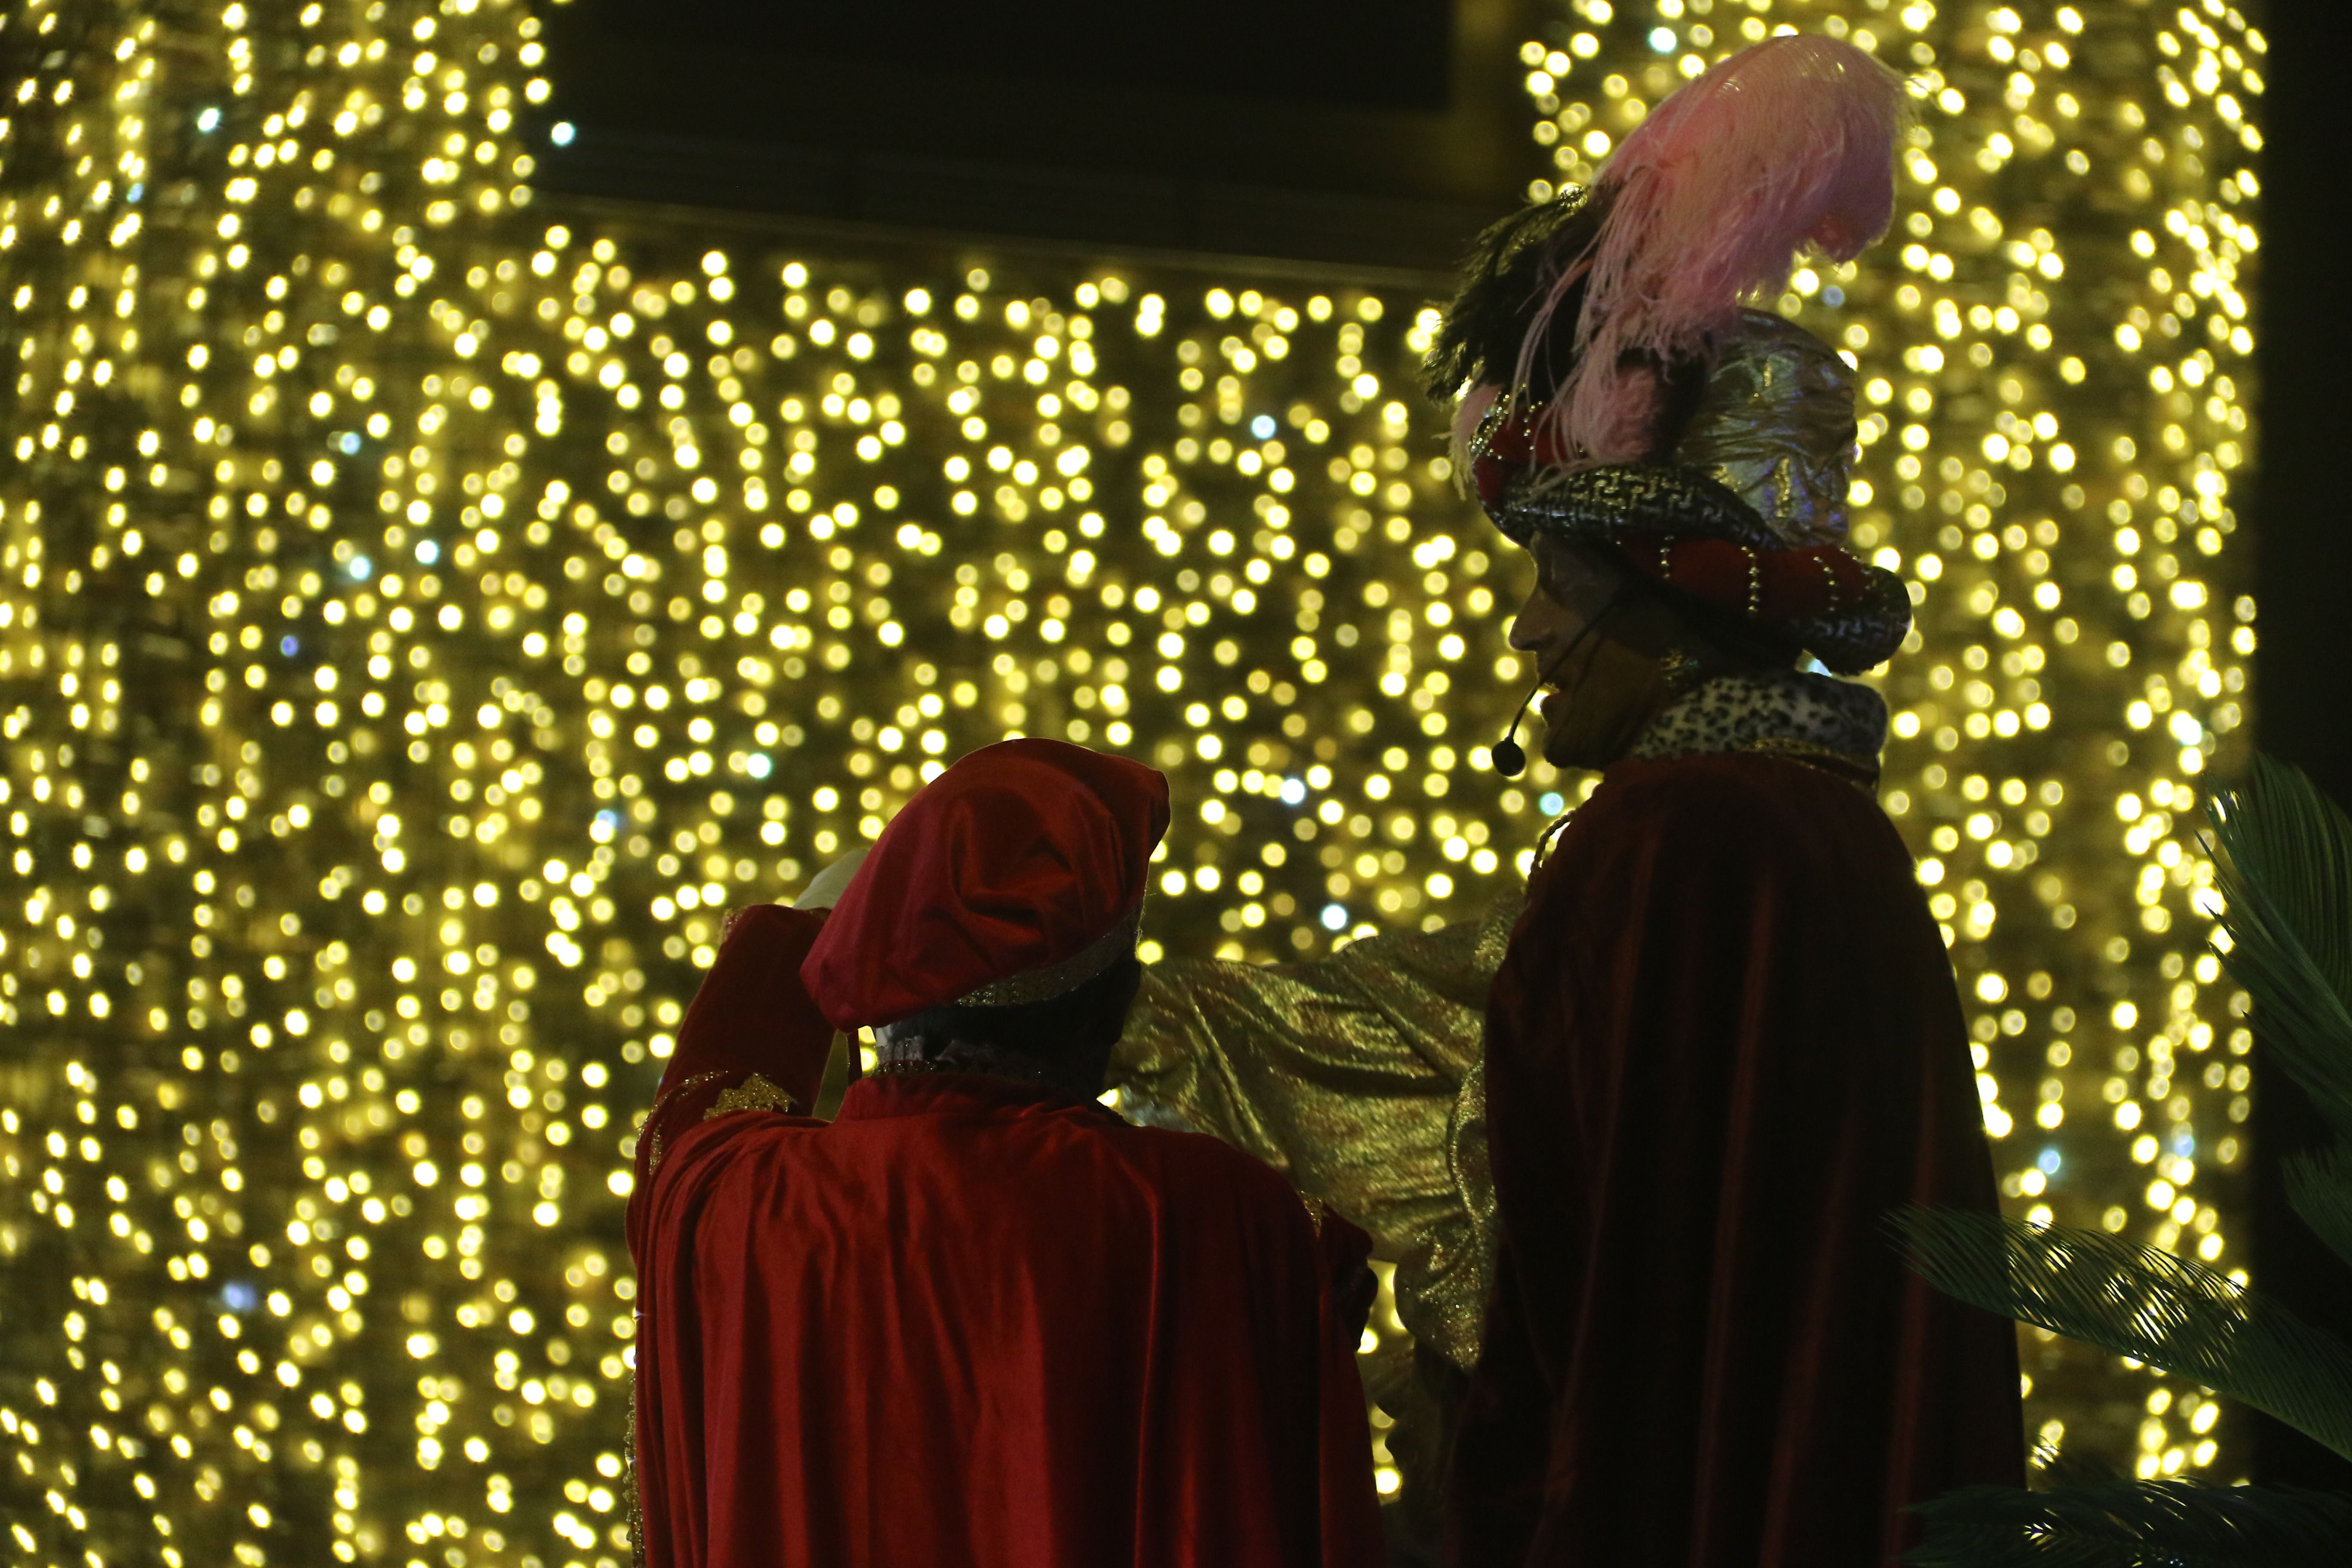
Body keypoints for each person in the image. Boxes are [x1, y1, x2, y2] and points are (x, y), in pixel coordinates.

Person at [1113, 35, 2022, 1565]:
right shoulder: (1810, 831)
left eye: (1558, 579)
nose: (1530, 628)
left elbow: (1587, 1256)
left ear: (1665, 608)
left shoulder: (1679, 840)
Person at [625, 737, 1386, 1568]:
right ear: (1114, 1006)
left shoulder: (738, 1199)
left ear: (883, 997)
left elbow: (690, 1122)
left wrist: (798, 931)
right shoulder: (1210, 1219)